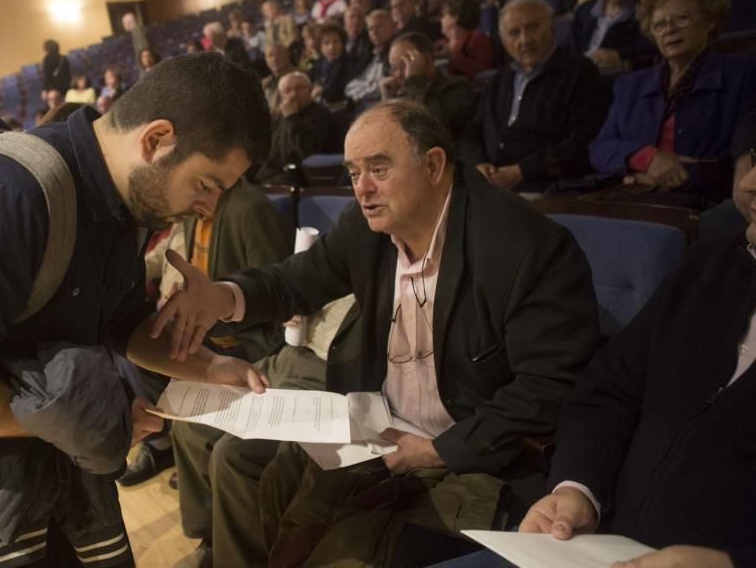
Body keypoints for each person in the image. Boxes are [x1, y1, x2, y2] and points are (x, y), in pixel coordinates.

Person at [0, 52, 276, 568]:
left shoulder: (129, 202)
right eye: (206, 185)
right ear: (156, 139)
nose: (207, 208)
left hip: (44, 452)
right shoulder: (4, 195)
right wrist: (88, 421)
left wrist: (211, 368)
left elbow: (122, 323)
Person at [153, 99, 599, 567]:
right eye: (352, 173)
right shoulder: (366, 227)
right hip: (376, 426)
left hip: (472, 454)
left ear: (433, 165)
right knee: (265, 494)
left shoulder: (523, 246)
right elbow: (295, 279)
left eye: (378, 169)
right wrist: (222, 297)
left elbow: (548, 387)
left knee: (337, 552)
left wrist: (436, 450)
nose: (362, 189)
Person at [517, 149, 756, 568]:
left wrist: (729, 563)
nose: (749, 183)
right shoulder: (708, 266)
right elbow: (609, 390)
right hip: (594, 551)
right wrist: (578, 489)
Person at [118, 179, 292, 487]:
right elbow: (166, 258)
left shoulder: (248, 208)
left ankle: (191, 454)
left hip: (244, 337)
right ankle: (165, 445)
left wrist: (214, 301)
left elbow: (274, 284)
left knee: (160, 346)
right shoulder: (191, 208)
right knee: (138, 348)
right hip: (206, 327)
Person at [170, 295, 359, 568]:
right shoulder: (337, 255)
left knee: (233, 455)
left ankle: (239, 559)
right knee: (191, 422)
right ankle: (212, 538)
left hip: (332, 370)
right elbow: (289, 281)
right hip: (290, 352)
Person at [589, 0, 756, 205]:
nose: (669, 29)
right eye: (659, 24)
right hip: (631, 198)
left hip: (697, 204)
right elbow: (600, 148)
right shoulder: (630, 84)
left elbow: (735, 159)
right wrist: (648, 158)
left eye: (681, 18)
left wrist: (675, 174)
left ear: (709, 21)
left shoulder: (742, 74)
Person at [462, 0, 612, 193]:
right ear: (504, 41)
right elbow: (473, 133)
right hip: (492, 188)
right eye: (514, 33)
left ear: (552, 28)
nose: (525, 40)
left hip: (547, 188)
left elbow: (585, 141)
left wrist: (522, 171)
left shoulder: (580, 72)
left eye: (532, 27)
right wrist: (478, 165)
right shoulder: (499, 80)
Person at [380, 32, 477, 140]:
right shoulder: (401, 92)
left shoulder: (458, 86)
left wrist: (414, 81)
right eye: (394, 68)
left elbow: (432, 123)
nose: (398, 74)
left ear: (428, 60)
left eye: (404, 65)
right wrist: (387, 101)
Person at [255, 72, 342, 185]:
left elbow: (309, 152)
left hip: (299, 176)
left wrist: (291, 118)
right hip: (270, 172)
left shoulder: (321, 115)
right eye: (287, 90)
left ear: (310, 91)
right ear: (281, 96)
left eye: (299, 89)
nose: (293, 95)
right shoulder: (277, 116)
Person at [343, 9, 398, 109]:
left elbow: (384, 86)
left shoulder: (396, 52)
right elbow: (350, 85)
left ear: (393, 27)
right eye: (370, 29)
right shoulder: (370, 53)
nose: (374, 32)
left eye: (379, 26)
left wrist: (361, 91)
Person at [437, 0, 496, 80]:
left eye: (444, 15)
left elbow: (483, 71)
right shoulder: (441, 43)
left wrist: (453, 56)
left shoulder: (478, 39)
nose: (441, 19)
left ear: (455, 17)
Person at [307, 23, 356, 107]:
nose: (332, 47)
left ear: (343, 44)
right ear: (320, 47)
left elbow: (339, 91)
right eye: (326, 43)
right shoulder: (319, 63)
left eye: (336, 42)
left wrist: (321, 91)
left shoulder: (349, 64)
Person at [262, 42, 296, 113]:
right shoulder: (265, 83)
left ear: (288, 55)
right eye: (270, 55)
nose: (274, 58)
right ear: (265, 59)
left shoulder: (297, 78)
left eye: (279, 54)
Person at [344, 6, 373, 74]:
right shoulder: (339, 37)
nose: (356, 20)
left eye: (359, 17)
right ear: (345, 20)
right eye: (352, 17)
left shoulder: (370, 39)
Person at [40, 39, 71, 104]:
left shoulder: (47, 59)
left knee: (50, 98)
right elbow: (68, 75)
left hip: (55, 87)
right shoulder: (63, 58)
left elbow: (47, 76)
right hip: (66, 87)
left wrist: (45, 90)